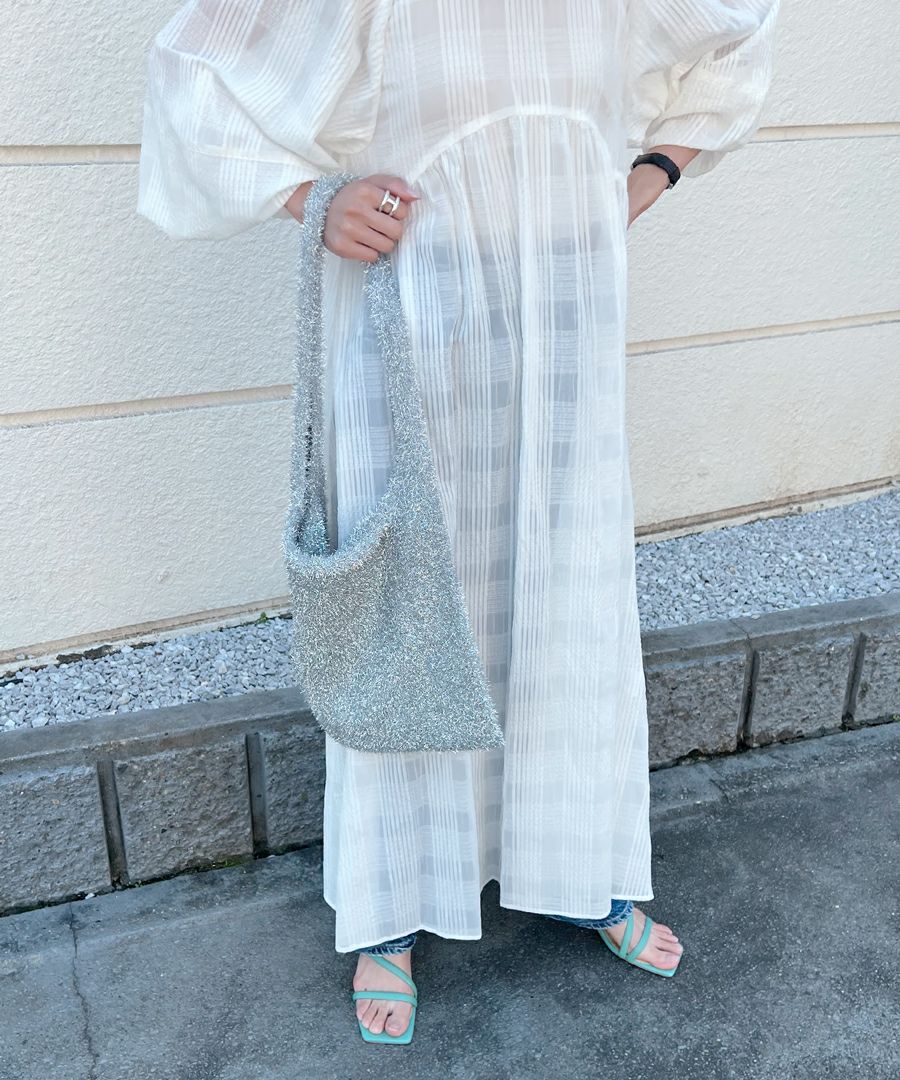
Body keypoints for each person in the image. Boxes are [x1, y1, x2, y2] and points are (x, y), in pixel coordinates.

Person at [137, 0, 781, 1043]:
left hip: (564, 323)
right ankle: (390, 903)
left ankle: (583, 863)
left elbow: (739, 27)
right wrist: (311, 200)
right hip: (409, 321)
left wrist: (648, 174)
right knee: (412, 603)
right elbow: (197, 67)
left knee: (567, 586)